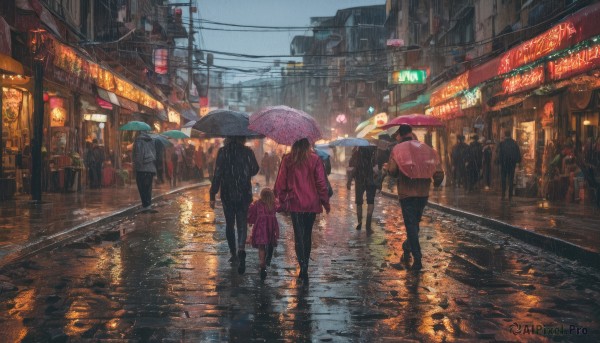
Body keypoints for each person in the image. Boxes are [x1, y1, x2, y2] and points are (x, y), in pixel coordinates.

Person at [274, 138, 330, 281]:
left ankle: (303, 265)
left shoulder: (288, 159)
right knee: (307, 235)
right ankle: (305, 266)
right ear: (307, 144)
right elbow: (321, 183)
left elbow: (280, 183)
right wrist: (325, 202)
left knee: (299, 235)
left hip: (295, 203)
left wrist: (281, 199)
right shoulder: (315, 159)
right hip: (311, 204)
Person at [385, 124, 436, 271]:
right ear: (411, 133)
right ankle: (407, 247)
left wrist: (389, 170)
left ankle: (417, 258)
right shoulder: (424, 148)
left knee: (411, 225)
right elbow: (436, 170)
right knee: (415, 224)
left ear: (400, 134)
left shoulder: (398, 150)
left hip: (407, 193)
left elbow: (393, 171)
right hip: (423, 192)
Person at [210, 136, 259, 274]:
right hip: (244, 193)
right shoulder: (247, 152)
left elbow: (217, 173)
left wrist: (212, 193)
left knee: (230, 224)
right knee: (242, 223)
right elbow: (255, 169)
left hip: (227, 193)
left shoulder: (223, 152)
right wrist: (245, 170)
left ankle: (233, 253)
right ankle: (241, 248)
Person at [248, 187, 280, 280]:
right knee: (270, 243)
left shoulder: (257, 203)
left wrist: (250, 221)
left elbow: (252, 212)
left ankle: (262, 262)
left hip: (260, 228)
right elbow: (280, 207)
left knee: (261, 246)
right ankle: (268, 258)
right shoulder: (274, 204)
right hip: (270, 228)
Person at [347, 146, 378, 233]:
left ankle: (359, 222)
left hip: (360, 179)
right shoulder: (373, 151)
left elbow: (353, 167)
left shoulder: (358, 152)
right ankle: (368, 226)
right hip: (370, 180)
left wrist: (349, 180)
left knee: (359, 202)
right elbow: (377, 169)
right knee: (370, 202)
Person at [132, 131, 157, 212]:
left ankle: (145, 205)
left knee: (142, 187)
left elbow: (139, 155)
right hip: (151, 168)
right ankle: (148, 205)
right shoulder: (151, 140)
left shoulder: (138, 141)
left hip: (142, 168)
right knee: (148, 188)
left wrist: (136, 166)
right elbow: (154, 154)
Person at [496, 130, 521, 201]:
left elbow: (499, 154)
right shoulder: (514, 143)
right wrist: (518, 162)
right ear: (510, 134)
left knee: (503, 179)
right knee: (511, 179)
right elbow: (518, 154)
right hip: (512, 164)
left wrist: (499, 162)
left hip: (504, 164)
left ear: (505, 135)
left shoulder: (502, 144)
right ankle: (510, 195)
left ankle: (503, 195)